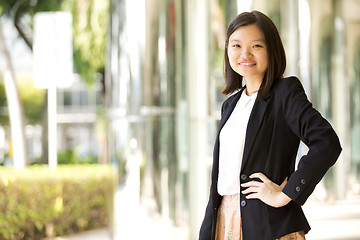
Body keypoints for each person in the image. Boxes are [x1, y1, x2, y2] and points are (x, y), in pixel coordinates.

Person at [199, 10, 342, 240]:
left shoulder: (285, 93)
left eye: (256, 46)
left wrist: (285, 194)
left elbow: (326, 142)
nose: (245, 53)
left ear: (271, 50)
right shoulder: (230, 106)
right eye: (236, 45)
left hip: (268, 225)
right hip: (224, 222)